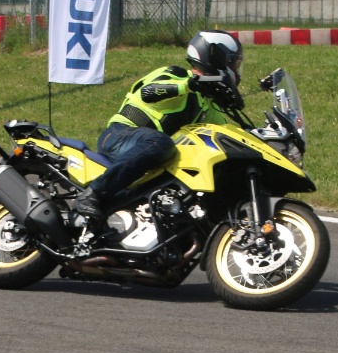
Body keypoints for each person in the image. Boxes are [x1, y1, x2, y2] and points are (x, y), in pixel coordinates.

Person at [74, 30, 246, 227]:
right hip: (119, 136)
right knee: (160, 142)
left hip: (149, 156)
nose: (235, 69)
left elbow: (224, 133)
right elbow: (148, 92)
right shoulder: (176, 75)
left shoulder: (207, 104)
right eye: (234, 62)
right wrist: (190, 84)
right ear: (217, 57)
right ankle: (92, 193)